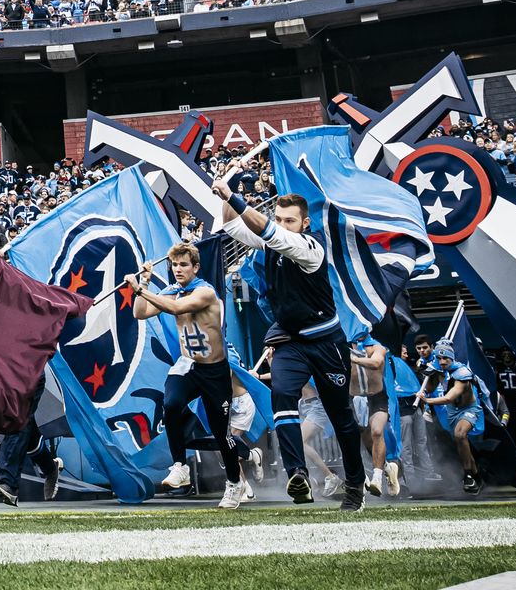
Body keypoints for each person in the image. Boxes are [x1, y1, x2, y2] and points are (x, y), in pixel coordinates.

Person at [216, 184, 366, 512]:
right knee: (282, 395)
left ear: (305, 224)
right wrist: (225, 191)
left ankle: (356, 484)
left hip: (326, 341)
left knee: (342, 418)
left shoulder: (309, 248)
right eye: (280, 219)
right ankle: (297, 474)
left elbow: (268, 231)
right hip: (290, 340)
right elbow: (230, 226)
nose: (284, 225)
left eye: (290, 220)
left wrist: (232, 197)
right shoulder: (272, 241)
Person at [129, 240, 246, 508]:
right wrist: (144, 284)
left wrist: (140, 289)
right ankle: (179, 466)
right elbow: (140, 313)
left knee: (220, 433)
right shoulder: (172, 291)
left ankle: (234, 481)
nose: (178, 269)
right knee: (170, 403)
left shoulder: (204, 292)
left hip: (214, 370)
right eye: (174, 265)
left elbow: (177, 309)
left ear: (195, 267)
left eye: (183, 265)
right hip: (187, 365)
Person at [421, 342, 487, 493]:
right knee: (460, 442)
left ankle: (468, 475)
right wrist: (426, 374)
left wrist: (427, 401)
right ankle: (476, 476)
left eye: (446, 358)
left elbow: (448, 398)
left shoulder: (462, 374)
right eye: (439, 358)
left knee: (460, 434)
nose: (442, 361)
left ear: (451, 358)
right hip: (452, 412)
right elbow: (429, 389)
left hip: (468, 409)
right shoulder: (438, 369)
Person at [349, 332, 401, 498]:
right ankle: (387, 468)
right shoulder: (343, 347)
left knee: (377, 431)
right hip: (356, 399)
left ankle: (377, 477)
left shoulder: (376, 347)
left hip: (376, 398)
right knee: (366, 439)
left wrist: (355, 359)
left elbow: (376, 362)